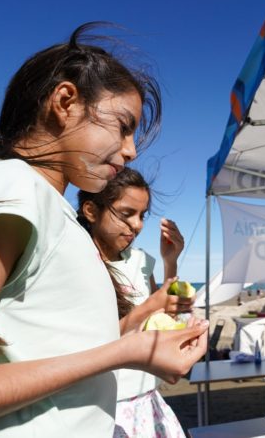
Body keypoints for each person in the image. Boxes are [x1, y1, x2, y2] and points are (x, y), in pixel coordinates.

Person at [0, 23, 208, 437]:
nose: (132, 150)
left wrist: (131, 348)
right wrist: (120, 354)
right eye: (123, 126)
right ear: (65, 102)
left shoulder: (45, 205)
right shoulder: (15, 189)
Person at [77, 167, 192, 438]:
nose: (138, 225)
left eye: (142, 215)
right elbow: (87, 351)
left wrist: (170, 261)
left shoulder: (140, 261)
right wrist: (150, 306)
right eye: (127, 213)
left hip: (147, 401)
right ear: (91, 211)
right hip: (104, 409)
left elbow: (161, 323)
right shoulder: (79, 265)